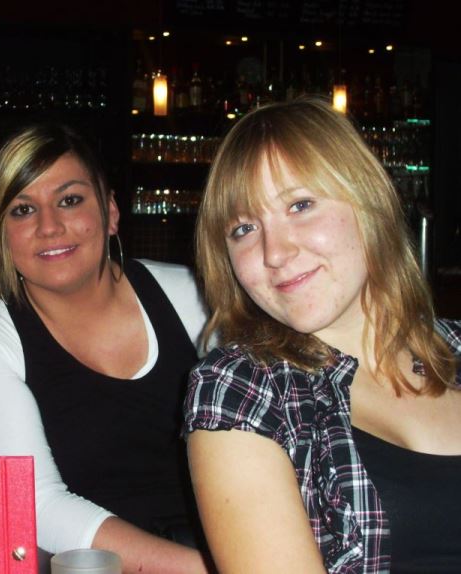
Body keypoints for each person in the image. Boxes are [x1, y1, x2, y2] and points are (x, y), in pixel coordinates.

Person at [184, 97, 461, 573]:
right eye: (244, 228)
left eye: (301, 205)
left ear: (367, 201)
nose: (274, 252)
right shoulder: (244, 390)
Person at [0, 123, 210, 573]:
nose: (49, 227)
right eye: (22, 210)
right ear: (0, 235)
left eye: (69, 200)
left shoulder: (194, 296)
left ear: (110, 211)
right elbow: (36, 504)